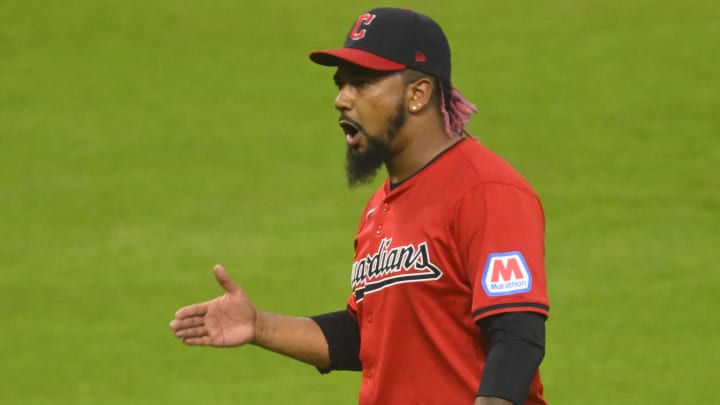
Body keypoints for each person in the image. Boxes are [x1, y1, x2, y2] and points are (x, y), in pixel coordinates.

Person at [170, 7, 550, 405]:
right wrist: (259, 326)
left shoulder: (486, 190)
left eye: (362, 83)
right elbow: (368, 335)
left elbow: (517, 335)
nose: (341, 100)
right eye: (341, 85)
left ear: (418, 94)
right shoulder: (380, 206)